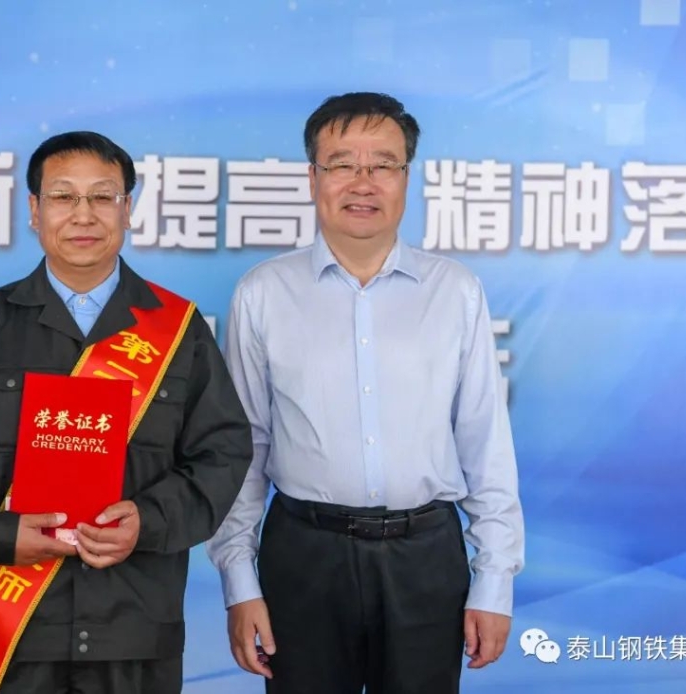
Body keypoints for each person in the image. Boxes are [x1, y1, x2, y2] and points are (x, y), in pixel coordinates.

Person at [0, 130, 253, 694]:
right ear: (35, 211)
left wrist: (148, 521)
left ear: (127, 209)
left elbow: (223, 453)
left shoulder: (179, 330)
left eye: (102, 196)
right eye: (63, 196)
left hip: (135, 629)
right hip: (12, 632)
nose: (83, 214)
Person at [206, 92, 525, 693]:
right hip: (304, 555)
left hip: (425, 558)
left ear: (406, 177)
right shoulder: (263, 293)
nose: (363, 182)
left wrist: (494, 581)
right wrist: (239, 584)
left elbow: (485, 442)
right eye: (342, 164)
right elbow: (243, 450)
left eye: (382, 164)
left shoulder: (454, 291)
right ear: (312, 178)